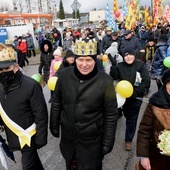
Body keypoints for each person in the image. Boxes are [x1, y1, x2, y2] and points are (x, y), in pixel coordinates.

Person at [50, 39, 118, 170]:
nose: (84, 64)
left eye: (89, 60)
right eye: (80, 60)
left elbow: (111, 114)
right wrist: (53, 124)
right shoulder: (64, 75)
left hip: (92, 141)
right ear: (75, 59)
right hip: (68, 138)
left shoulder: (105, 81)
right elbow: (57, 101)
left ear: (95, 60)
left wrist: (108, 142)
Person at [0, 43, 48, 170]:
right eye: (0, 70)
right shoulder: (0, 86)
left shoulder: (30, 85)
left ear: (16, 67)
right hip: (13, 133)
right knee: (34, 166)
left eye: (6, 68)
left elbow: (41, 114)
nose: (3, 72)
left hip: (29, 136)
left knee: (27, 167)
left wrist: (41, 138)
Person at [109, 46, 150, 151]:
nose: (128, 57)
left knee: (131, 119)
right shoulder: (120, 65)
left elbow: (145, 80)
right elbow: (113, 76)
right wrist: (113, 66)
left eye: (130, 55)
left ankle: (128, 140)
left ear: (134, 55)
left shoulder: (140, 65)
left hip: (135, 97)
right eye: (126, 55)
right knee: (120, 114)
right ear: (123, 57)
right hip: (121, 96)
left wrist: (136, 92)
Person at [136, 68, 170, 170]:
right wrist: (143, 156)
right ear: (165, 84)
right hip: (157, 159)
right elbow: (144, 130)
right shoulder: (155, 103)